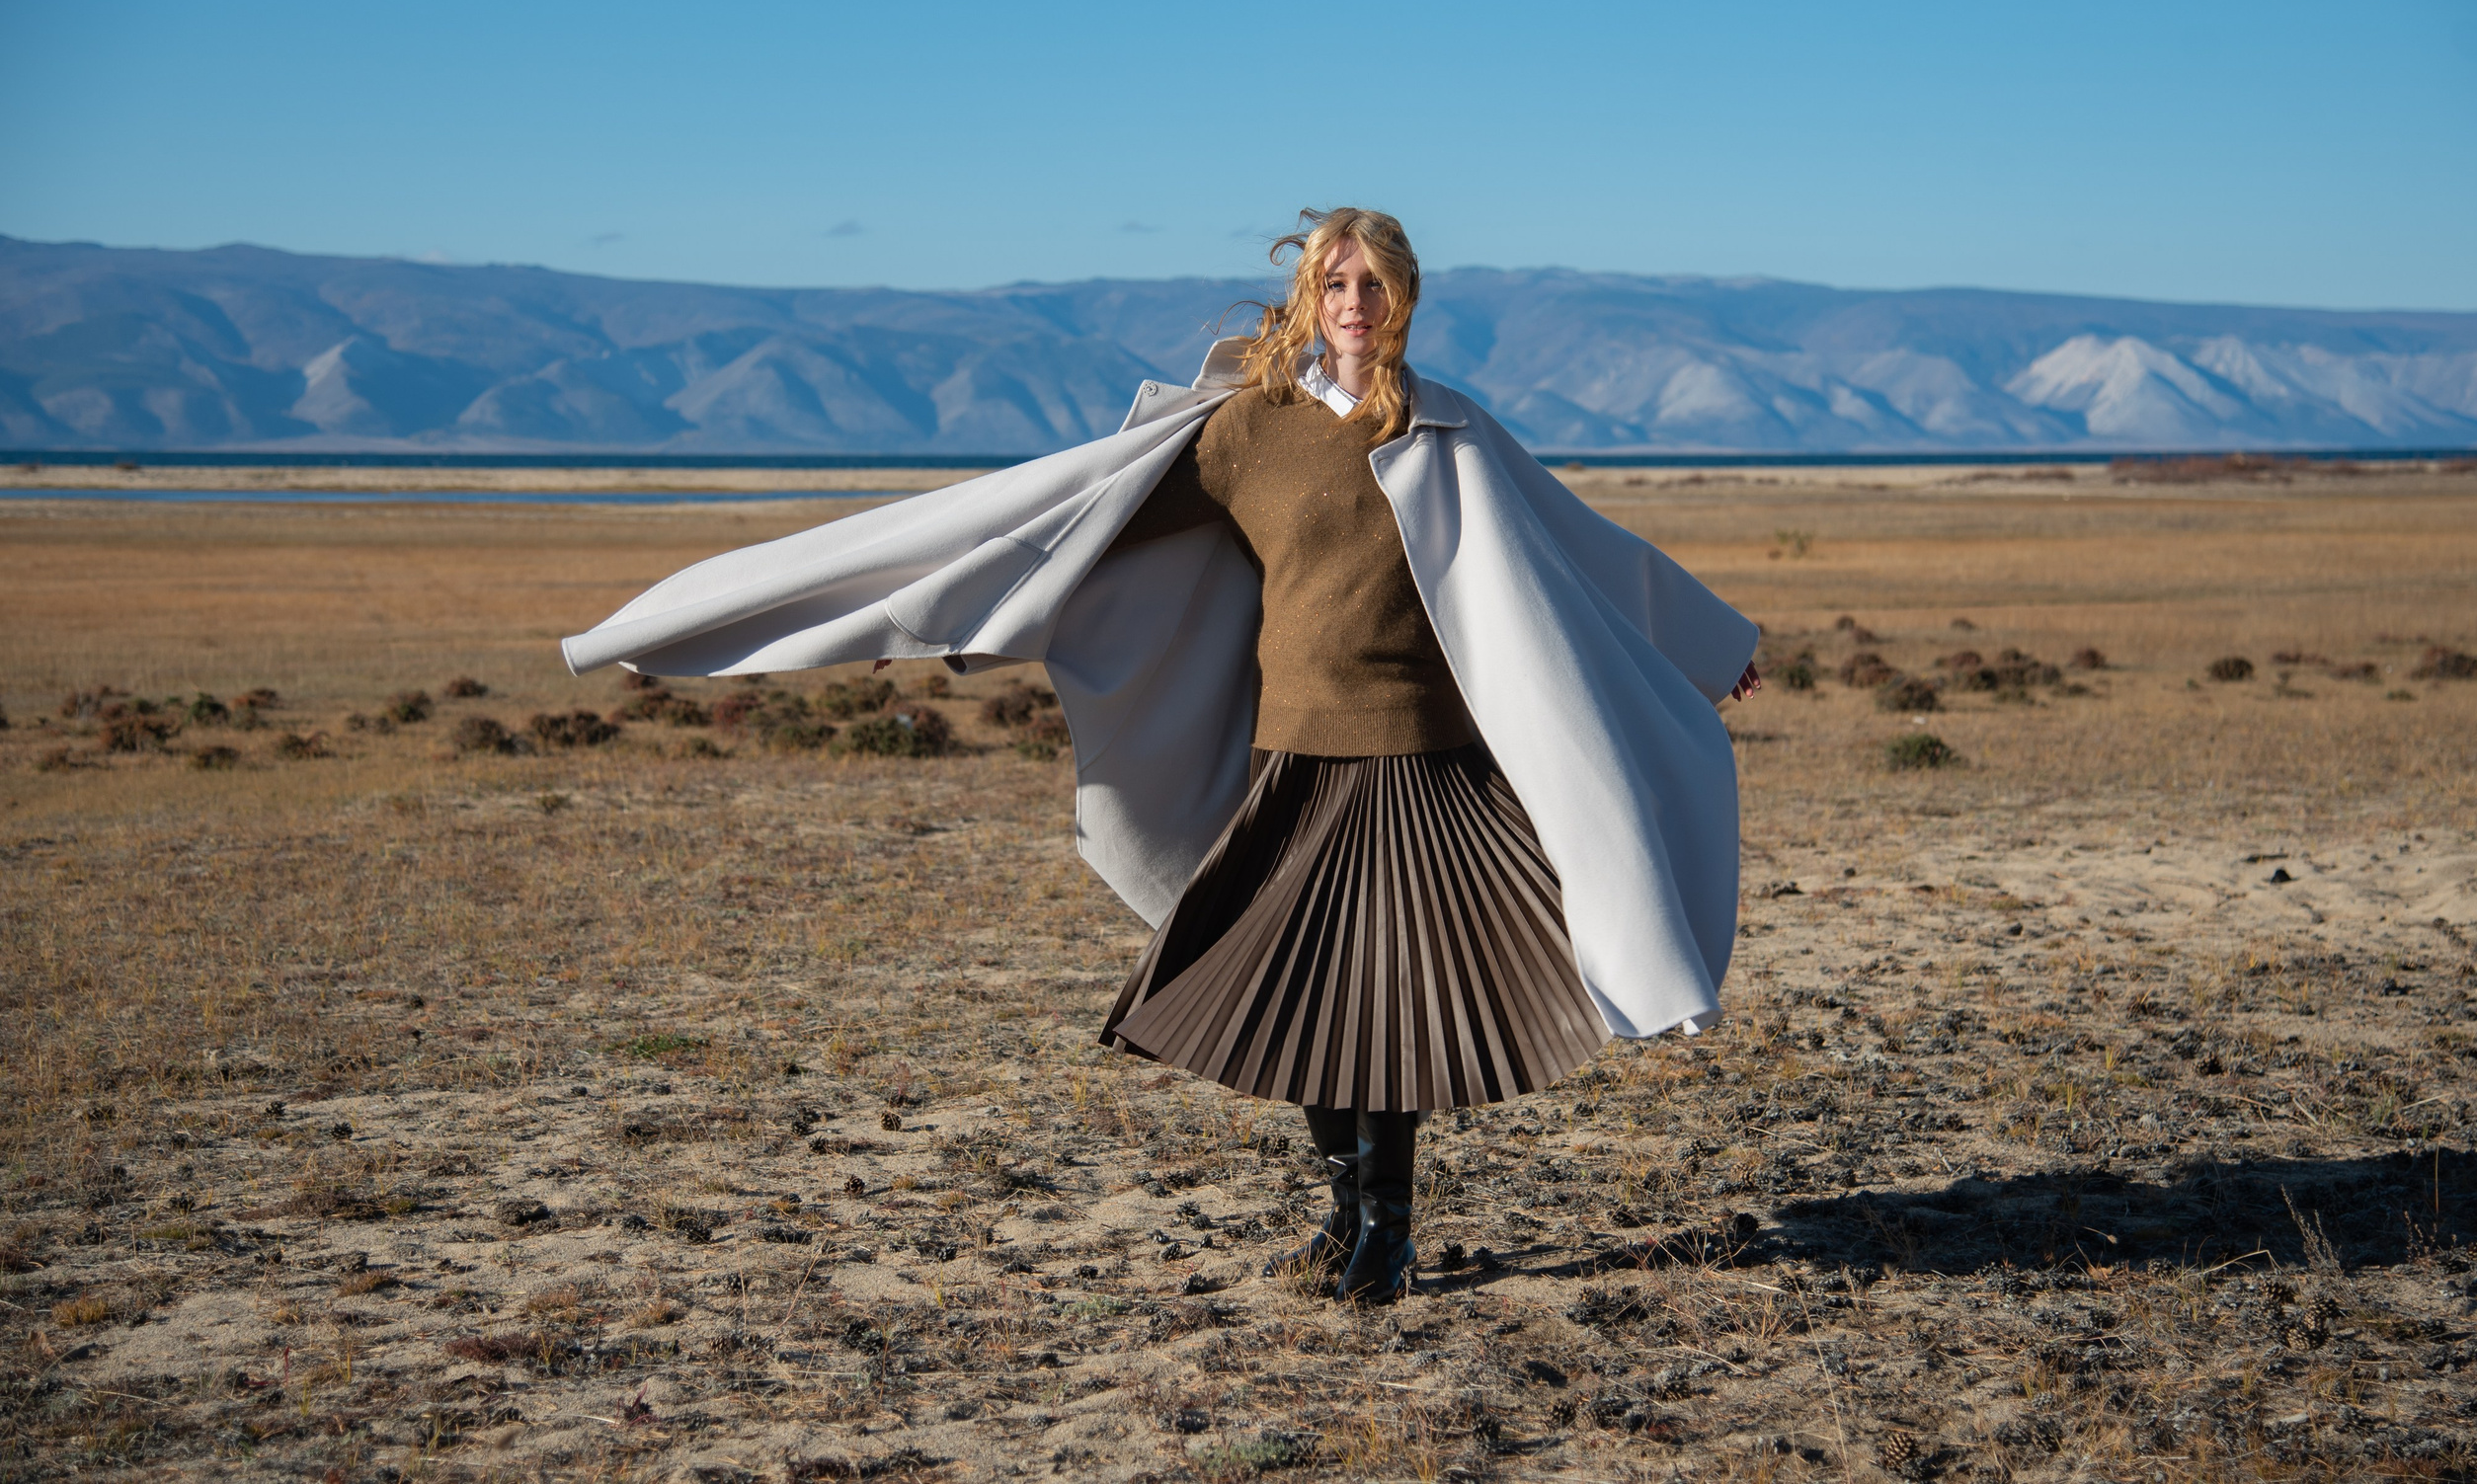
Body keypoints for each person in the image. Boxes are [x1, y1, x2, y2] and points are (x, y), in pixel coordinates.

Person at [559, 206, 1762, 1305]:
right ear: (1309, 298)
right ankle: (1346, 1216)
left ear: (1404, 298)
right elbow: (1078, 533)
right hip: (1292, 756)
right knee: (1308, 999)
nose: (1355, 300)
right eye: (1336, 281)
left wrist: (1707, 643)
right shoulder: (1251, 432)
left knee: (1387, 1001)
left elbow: (1577, 551)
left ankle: (1386, 1235)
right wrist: (938, 624)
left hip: (1421, 758)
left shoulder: (1450, 428)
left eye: (1375, 282)